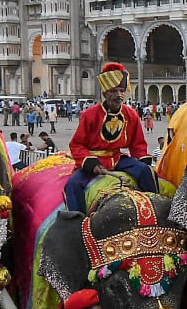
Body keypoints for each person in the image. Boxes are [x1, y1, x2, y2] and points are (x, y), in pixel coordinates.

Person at [64, 63, 157, 212]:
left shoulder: (131, 114)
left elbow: (138, 144)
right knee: (72, 185)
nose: (119, 95)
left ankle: (153, 209)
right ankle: (77, 222)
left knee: (146, 172)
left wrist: (142, 159)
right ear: (105, 93)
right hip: (94, 160)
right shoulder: (90, 114)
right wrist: (90, 163)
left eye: (121, 91)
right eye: (113, 91)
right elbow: (76, 145)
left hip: (117, 158)